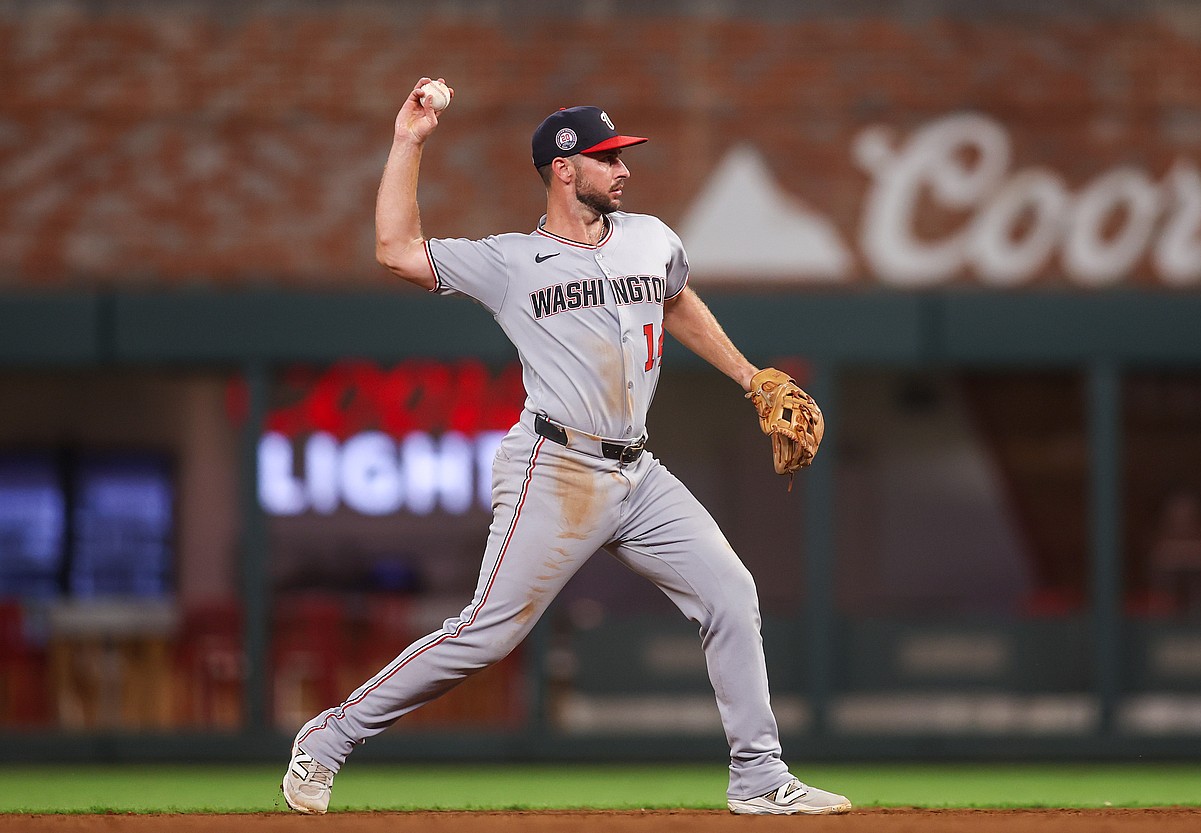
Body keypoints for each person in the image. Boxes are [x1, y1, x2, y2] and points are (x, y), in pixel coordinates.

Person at [281, 78, 851, 816]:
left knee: (730, 594)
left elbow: (675, 300)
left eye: (622, 157)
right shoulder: (511, 261)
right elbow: (395, 249)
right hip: (555, 466)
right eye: (609, 158)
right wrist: (408, 142)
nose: (624, 170)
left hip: (638, 471)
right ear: (564, 168)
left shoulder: (652, 238)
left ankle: (758, 777)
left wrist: (750, 378)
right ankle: (327, 738)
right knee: (484, 635)